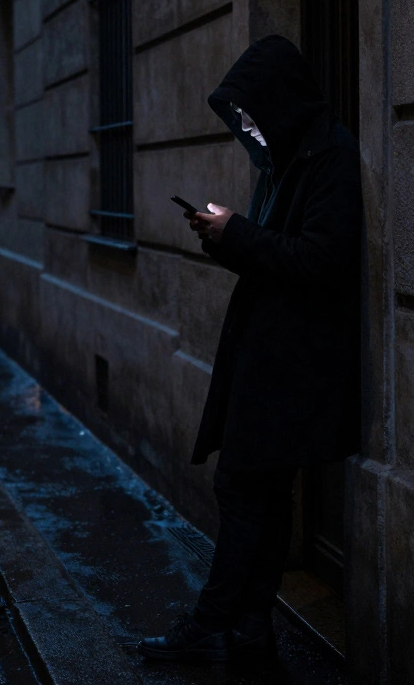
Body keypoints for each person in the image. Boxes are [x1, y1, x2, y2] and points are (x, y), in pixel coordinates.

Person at [138, 35, 362, 662]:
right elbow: (274, 253)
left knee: (244, 487)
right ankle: (252, 627)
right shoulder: (291, 159)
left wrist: (236, 232)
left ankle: (213, 621)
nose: (252, 128)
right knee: (259, 492)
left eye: (256, 111)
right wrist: (226, 237)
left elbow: (318, 260)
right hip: (269, 357)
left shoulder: (331, 159)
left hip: (293, 365)